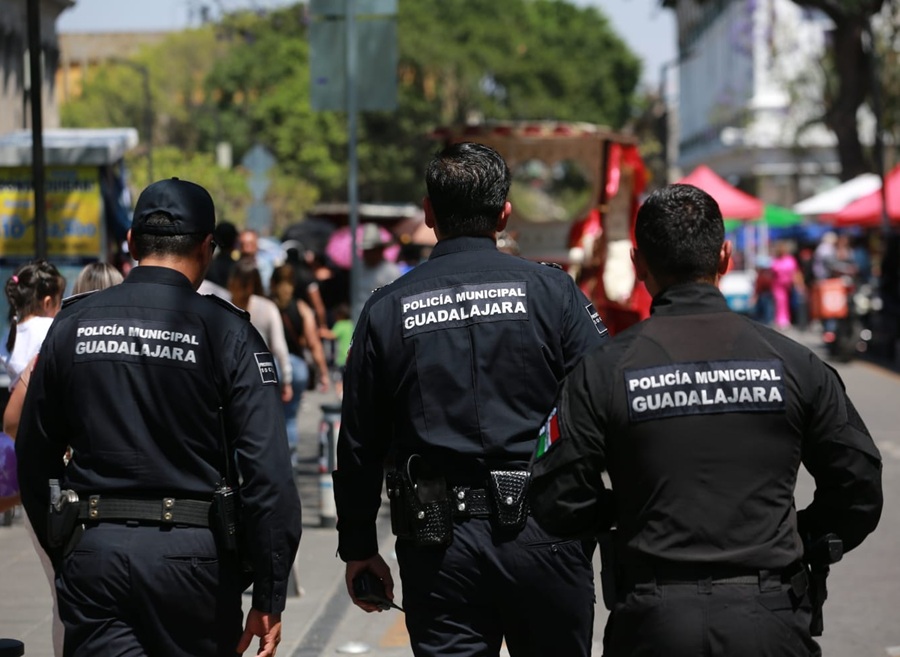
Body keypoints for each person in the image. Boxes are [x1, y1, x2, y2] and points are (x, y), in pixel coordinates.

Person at [529, 183, 883, 657]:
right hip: (770, 618)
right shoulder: (795, 364)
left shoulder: (602, 370)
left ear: (638, 266)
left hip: (652, 622)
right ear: (726, 256)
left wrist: (628, 512)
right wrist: (797, 535)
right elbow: (858, 488)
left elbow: (556, 496)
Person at [333, 142, 609, 657]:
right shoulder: (554, 293)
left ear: (429, 213)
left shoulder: (387, 308)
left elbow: (358, 444)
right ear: (505, 213)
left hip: (439, 547)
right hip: (545, 535)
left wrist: (359, 547)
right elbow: (606, 410)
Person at [16, 177, 302, 657]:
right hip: (193, 564)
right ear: (208, 247)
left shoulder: (73, 324)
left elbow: (33, 451)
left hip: (95, 554)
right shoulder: (226, 333)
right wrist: (270, 594)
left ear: (130, 244)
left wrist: (65, 550)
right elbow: (268, 472)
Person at [1, 259, 66, 657]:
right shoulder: (48, 330)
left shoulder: (14, 333)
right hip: (52, 460)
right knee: (67, 587)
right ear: (47, 301)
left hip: (22, 466)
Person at [269, 263, 330, 454]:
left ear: (272, 282)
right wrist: (323, 373)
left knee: (269, 418)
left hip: (269, 366)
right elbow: (314, 344)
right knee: (291, 418)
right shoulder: (302, 308)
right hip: (298, 367)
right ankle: (291, 465)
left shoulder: (265, 305)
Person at [228, 259, 294, 405]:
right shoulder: (267, 307)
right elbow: (279, 347)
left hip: (229, 373)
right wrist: (287, 380)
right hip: (259, 373)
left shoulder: (222, 304)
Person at [352, 223, 402, 315]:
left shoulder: (391, 271)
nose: (368, 254)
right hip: (358, 317)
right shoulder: (357, 269)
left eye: (371, 251)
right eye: (366, 251)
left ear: (380, 250)